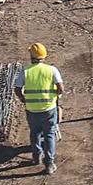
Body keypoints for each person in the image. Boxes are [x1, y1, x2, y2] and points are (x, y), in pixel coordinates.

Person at [14, 43, 63, 175]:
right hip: (49, 109)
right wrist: (54, 97)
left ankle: (36, 158)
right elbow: (60, 88)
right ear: (44, 55)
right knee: (49, 134)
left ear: (31, 56)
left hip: (32, 110)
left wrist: (24, 99)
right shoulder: (52, 70)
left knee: (34, 133)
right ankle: (50, 164)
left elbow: (17, 89)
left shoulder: (26, 71)